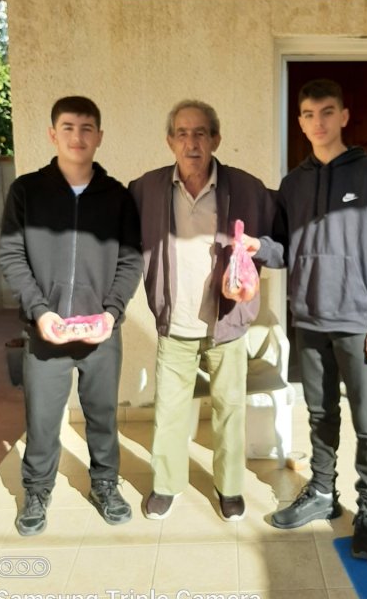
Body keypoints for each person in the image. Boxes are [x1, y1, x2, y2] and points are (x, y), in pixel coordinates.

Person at [245, 79, 367, 559]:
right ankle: (321, 492)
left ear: (344, 117)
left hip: (358, 321)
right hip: (309, 318)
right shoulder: (293, 184)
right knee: (320, 413)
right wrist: (256, 248)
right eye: (310, 114)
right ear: (300, 122)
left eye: (328, 112)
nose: (319, 122)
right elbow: (284, 249)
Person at [0, 96, 143, 536]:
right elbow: (11, 254)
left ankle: (105, 485)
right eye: (67, 127)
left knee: (102, 416)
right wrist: (40, 312)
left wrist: (112, 313)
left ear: (99, 136)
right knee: (42, 420)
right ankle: (36, 491)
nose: (77, 137)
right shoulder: (27, 191)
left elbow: (130, 261)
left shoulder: (118, 196)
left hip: (101, 333)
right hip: (45, 332)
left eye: (86, 128)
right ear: (52, 134)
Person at [129, 99, 275, 522]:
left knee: (230, 410)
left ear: (216, 139)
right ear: (170, 141)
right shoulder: (146, 189)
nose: (191, 142)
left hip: (226, 323)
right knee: (169, 411)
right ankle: (166, 484)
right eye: (182, 134)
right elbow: (121, 241)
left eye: (200, 133)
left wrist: (259, 256)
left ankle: (229, 488)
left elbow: (275, 242)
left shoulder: (246, 188)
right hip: (174, 322)